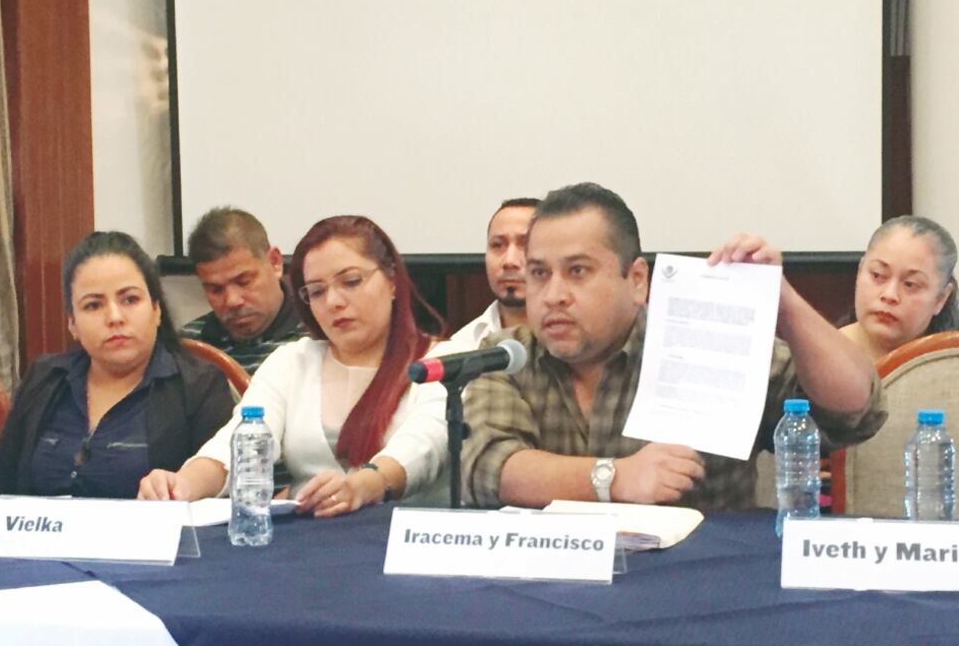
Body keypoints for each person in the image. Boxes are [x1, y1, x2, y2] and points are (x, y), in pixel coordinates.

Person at [461, 182, 886, 511]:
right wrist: (616, 478)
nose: (554, 294)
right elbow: (489, 466)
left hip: (700, 586)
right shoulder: (508, 356)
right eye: (539, 274)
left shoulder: (700, 340)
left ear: (637, 280)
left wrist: (786, 303)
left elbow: (852, 411)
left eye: (577, 271)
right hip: (552, 587)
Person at [139, 216, 451, 516]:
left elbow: (424, 445)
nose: (333, 302)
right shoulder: (292, 362)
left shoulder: (441, 360)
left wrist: (363, 485)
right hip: (306, 545)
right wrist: (182, 485)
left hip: (404, 543)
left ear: (393, 279)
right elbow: (239, 441)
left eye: (351, 282)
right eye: (316, 291)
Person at [0, 232, 234, 498]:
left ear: (156, 309)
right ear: (72, 324)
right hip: (39, 539)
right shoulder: (44, 378)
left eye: (130, 300)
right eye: (93, 305)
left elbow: (216, 504)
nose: (114, 317)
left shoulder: (199, 387)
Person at [182, 207, 301, 375]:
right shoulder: (187, 348)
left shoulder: (321, 336)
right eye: (215, 289)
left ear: (274, 262)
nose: (232, 300)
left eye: (243, 281)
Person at [840, 215, 958, 362]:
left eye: (910, 284)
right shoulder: (816, 356)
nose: (889, 295)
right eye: (877, 275)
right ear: (860, 271)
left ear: (940, 299)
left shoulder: (951, 366)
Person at [450, 198, 538, 349]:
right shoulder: (458, 351)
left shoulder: (584, 351)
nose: (509, 261)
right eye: (497, 245)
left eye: (525, 244)